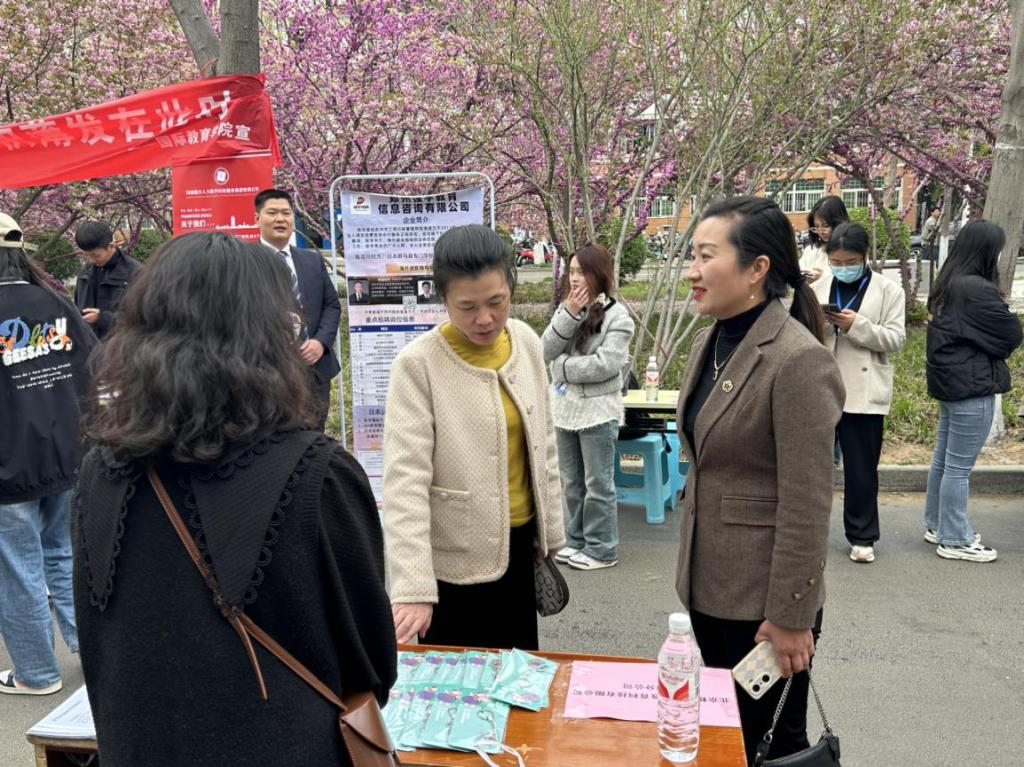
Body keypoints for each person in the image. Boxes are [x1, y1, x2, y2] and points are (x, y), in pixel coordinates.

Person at [73, 232, 395, 765]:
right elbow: (371, 661)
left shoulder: (99, 472)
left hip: (139, 748)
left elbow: (98, 643)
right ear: (265, 336)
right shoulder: (318, 475)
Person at [675, 196, 844, 763]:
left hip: (764, 605)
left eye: (706, 256)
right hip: (709, 586)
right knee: (728, 737)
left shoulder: (797, 360)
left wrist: (792, 615)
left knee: (772, 743)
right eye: (692, 256)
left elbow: (807, 501)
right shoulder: (709, 342)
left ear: (757, 269)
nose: (693, 271)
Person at [383, 224, 564, 650]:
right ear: (443, 299)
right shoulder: (418, 365)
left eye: (496, 301)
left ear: (510, 288)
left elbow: (545, 443)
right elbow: (405, 482)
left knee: (517, 675)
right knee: (457, 682)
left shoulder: (526, 342)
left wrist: (551, 531)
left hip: (521, 549)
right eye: (467, 306)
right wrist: (413, 587)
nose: (485, 319)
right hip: (453, 562)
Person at [0, 211, 97, 695]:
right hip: (67, 454)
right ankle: (93, 652)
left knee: (17, 571)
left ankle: (36, 673)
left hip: (9, 465)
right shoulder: (56, 302)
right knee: (63, 555)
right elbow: (91, 369)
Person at [924, 220, 1022, 562]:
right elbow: (1012, 333)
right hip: (972, 384)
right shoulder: (977, 289)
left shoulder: (948, 282)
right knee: (958, 468)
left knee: (943, 461)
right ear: (986, 252)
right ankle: (954, 539)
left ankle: (937, 525)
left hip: (950, 384)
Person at [813, 222, 906, 563]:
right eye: (836, 262)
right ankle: (808, 531)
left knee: (861, 469)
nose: (842, 268)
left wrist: (857, 326)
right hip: (822, 387)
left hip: (863, 390)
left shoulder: (888, 290)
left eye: (850, 261)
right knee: (812, 467)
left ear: (864, 256)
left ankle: (862, 536)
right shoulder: (818, 286)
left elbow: (896, 338)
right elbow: (801, 333)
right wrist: (822, 323)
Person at [542, 243, 634, 570]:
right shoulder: (566, 309)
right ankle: (576, 540)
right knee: (571, 483)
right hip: (564, 410)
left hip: (598, 412)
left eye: (582, 272)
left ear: (599, 274)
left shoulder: (618, 317)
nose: (575, 278)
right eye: (572, 271)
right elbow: (544, 350)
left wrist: (562, 368)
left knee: (598, 485)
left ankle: (602, 548)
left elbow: (606, 365)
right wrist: (568, 313)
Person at [256, 188, 342, 430]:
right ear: (257, 218)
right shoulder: (245, 261)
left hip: (315, 370)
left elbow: (331, 305)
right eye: (272, 213)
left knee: (315, 436)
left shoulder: (311, 260)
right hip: (268, 372)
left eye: (286, 213)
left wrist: (320, 342)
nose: (280, 219)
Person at [73, 220, 142, 340]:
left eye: (96, 255)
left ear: (111, 246)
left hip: (121, 344)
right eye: (86, 256)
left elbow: (142, 318)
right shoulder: (85, 273)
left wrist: (102, 318)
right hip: (90, 343)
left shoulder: (135, 272)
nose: (91, 260)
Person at [801, 195, 850, 284]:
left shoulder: (852, 250)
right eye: (816, 226)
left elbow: (853, 280)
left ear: (839, 223)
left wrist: (822, 278)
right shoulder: (811, 250)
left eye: (825, 226)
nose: (820, 231)